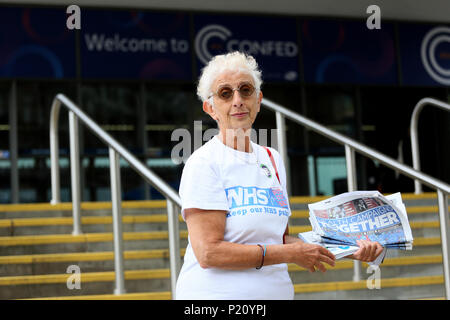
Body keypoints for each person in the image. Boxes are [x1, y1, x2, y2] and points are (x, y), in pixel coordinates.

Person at [175, 51, 384, 300]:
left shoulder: (271, 158)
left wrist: (351, 249)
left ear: (259, 99)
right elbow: (209, 253)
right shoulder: (204, 163)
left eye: (246, 90)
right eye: (225, 93)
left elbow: (280, 239)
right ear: (210, 108)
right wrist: (290, 255)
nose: (238, 100)